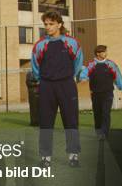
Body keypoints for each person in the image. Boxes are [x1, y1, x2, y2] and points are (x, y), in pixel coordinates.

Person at [31, 11, 83, 168]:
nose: (47, 27)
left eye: (51, 24)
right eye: (45, 24)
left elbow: (78, 63)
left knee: (71, 120)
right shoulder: (40, 45)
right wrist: (43, 81)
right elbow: (35, 66)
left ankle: (73, 156)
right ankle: (45, 158)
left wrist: (68, 77)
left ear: (59, 24)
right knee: (46, 122)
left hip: (67, 85)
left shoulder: (72, 43)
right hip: (46, 86)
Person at [80, 45, 122, 140]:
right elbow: (84, 74)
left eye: (106, 52)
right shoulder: (91, 64)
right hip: (95, 94)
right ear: (98, 53)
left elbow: (118, 76)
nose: (106, 53)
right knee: (97, 114)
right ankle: (98, 133)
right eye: (104, 52)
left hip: (108, 94)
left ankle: (104, 134)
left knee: (106, 113)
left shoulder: (111, 64)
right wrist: (83, 79)